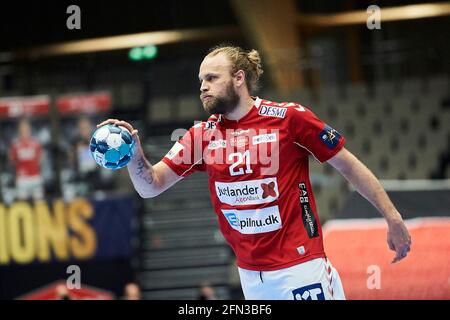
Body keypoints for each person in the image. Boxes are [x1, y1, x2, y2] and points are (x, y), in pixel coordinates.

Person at [98, 45, 412, 300]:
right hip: (252, 278)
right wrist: (133, 153)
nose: (203, 87)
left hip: (300, 266)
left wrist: (392, 217)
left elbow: (347, 164)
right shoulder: (201, 135)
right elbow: (150, 186)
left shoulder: (289, 118)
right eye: (200, 81)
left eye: (211, 78)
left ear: (238, 78)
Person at [9, 118, 44, 200]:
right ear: (19, 129)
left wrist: (35, 167)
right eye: (22, 127)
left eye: (25, 127)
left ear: (29, 128)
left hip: (35, 176)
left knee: (39, 202)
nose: (24, 129)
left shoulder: (35, 142)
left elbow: (41, 157)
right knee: (22, 202)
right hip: (22, 178)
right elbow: (12, 159)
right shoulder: (15, 144)